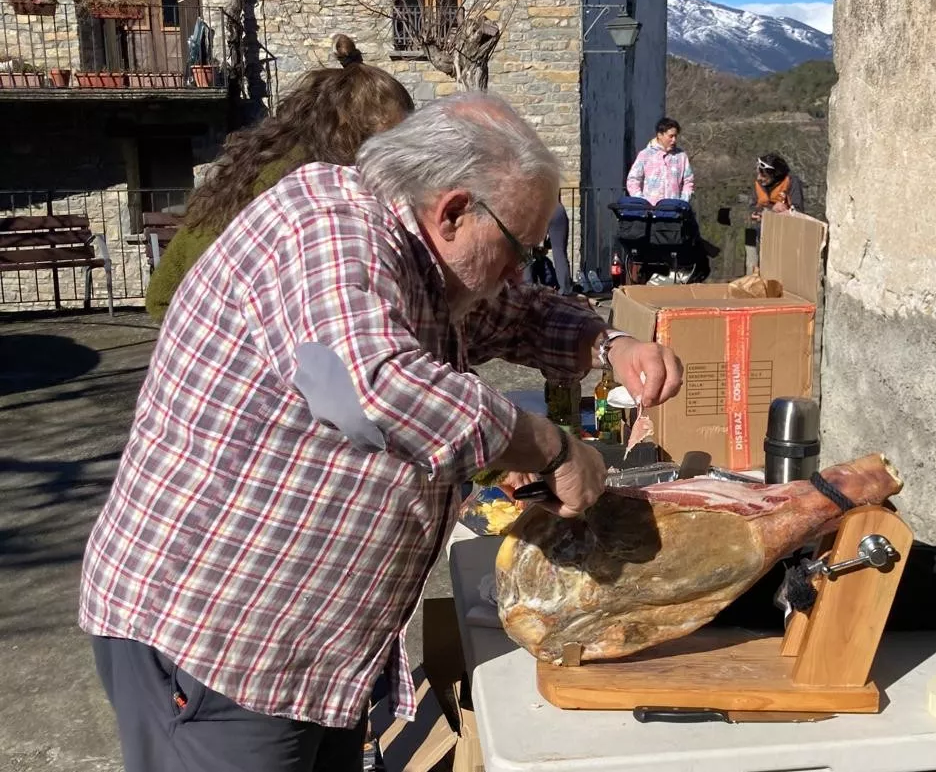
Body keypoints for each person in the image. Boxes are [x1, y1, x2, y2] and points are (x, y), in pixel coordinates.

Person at [79, 91, 684, 772]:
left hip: (309, 654)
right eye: (516, 249)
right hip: (219, 645)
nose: (519, 270)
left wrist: (609, 343)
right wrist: (552, 448)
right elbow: (374, 388)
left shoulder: (422, 257)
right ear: (453, 211)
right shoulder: (325, 230)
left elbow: (516, 311)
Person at [144, 35, 414, 322]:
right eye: (392, 142)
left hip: (192, 323)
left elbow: (162, 291)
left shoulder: (255, 166)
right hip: (220, 329)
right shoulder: (304, 185)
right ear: (353, 133)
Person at [745, 152, 804, 272]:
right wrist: (766, 210)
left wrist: (784, 210)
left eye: (763, 175)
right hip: (758, 227)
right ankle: (751, 275)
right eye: (759, 174)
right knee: (749, 237)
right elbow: (751, 207)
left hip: (783, 229)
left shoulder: (791, 181)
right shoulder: (758, 184)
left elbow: (799, 210)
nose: (759, 178)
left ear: (775, 174)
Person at [624, 117, 695, 206]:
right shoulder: (645, 155)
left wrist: (683, 201)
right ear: (660, 135)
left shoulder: (681, 156)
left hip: (674, 209)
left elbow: (688, 181)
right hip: (650, 210)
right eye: (671, 136)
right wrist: (641, 202)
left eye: (675, 136)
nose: (674, 140)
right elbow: (633, 180)